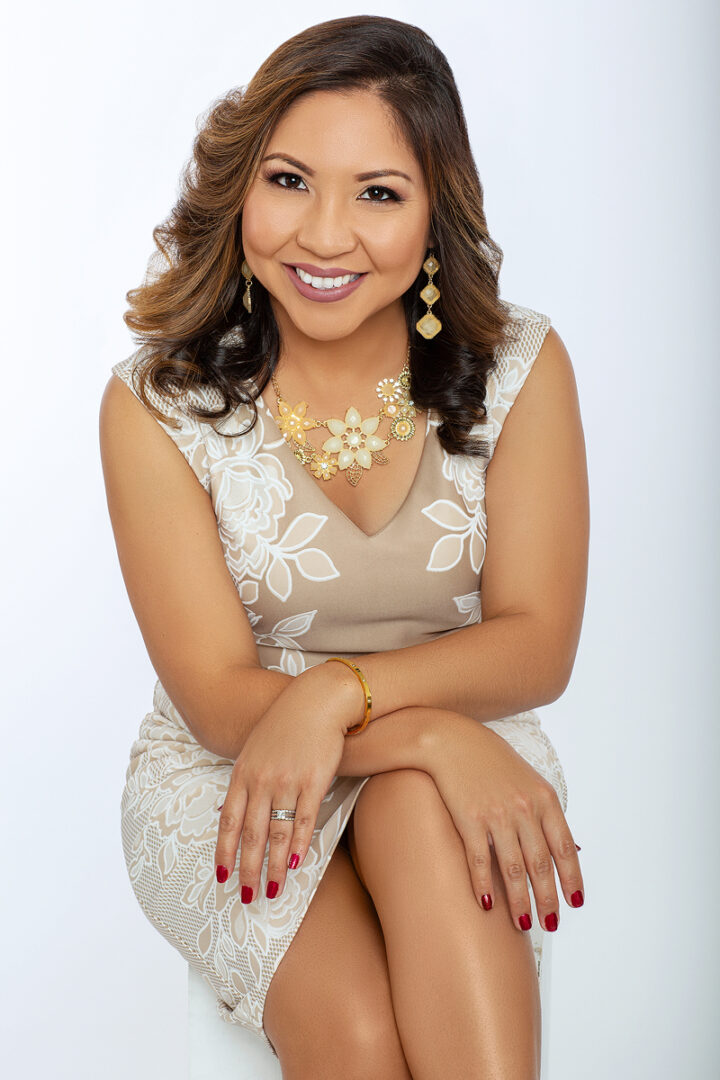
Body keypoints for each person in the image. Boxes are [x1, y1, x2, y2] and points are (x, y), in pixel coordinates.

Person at [99, 14, 588, 1078]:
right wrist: (429, 733)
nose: (324, 235)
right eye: (288, 180)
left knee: (422, 822)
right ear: (239, 190)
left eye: (377, 192)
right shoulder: (160, 403)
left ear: (432, 217)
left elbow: (538, 642)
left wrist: (344, 697)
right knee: (361, 1044)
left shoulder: (520, 368)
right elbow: (225, 702)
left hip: (446, 751)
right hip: (234, 774)